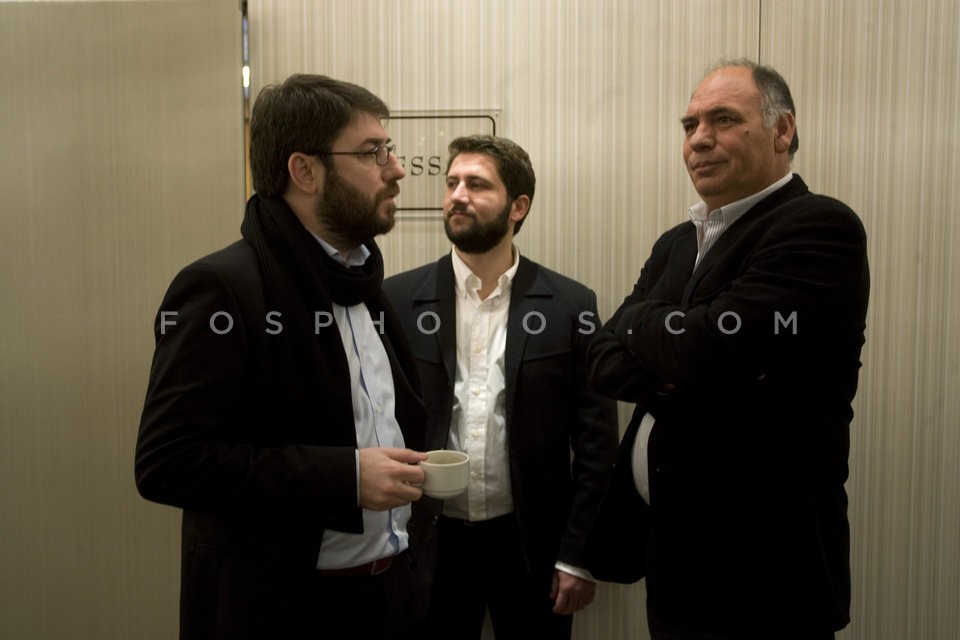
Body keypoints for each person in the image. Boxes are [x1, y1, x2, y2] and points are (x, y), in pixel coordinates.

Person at [135, 74, 429, 640]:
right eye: (373, 152)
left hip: (389, 597)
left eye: (389, 149)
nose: (395, 169)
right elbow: (168, 462)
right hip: (281, 608)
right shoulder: (223, 288)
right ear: (304, 171)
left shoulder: (364, 281)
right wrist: (345, 477)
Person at [586, 60, 869, 639]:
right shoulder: (677, 243)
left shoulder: (818, 226)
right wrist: (678, 348)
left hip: (765, 572)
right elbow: (602, 360)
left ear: (782, 130)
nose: (699, 139)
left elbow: (707, 350)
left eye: (722, 120)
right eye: (689, 125)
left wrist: (643, 324)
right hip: (673, 557)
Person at [383, 134, 619, 639]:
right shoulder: (396, 300)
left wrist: (578, 555)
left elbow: (597, 442)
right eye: (452, 183)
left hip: (532, 543)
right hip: (427, 542)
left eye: (476, 184)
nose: (457, 196)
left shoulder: (570, 305)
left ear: (518, 206)